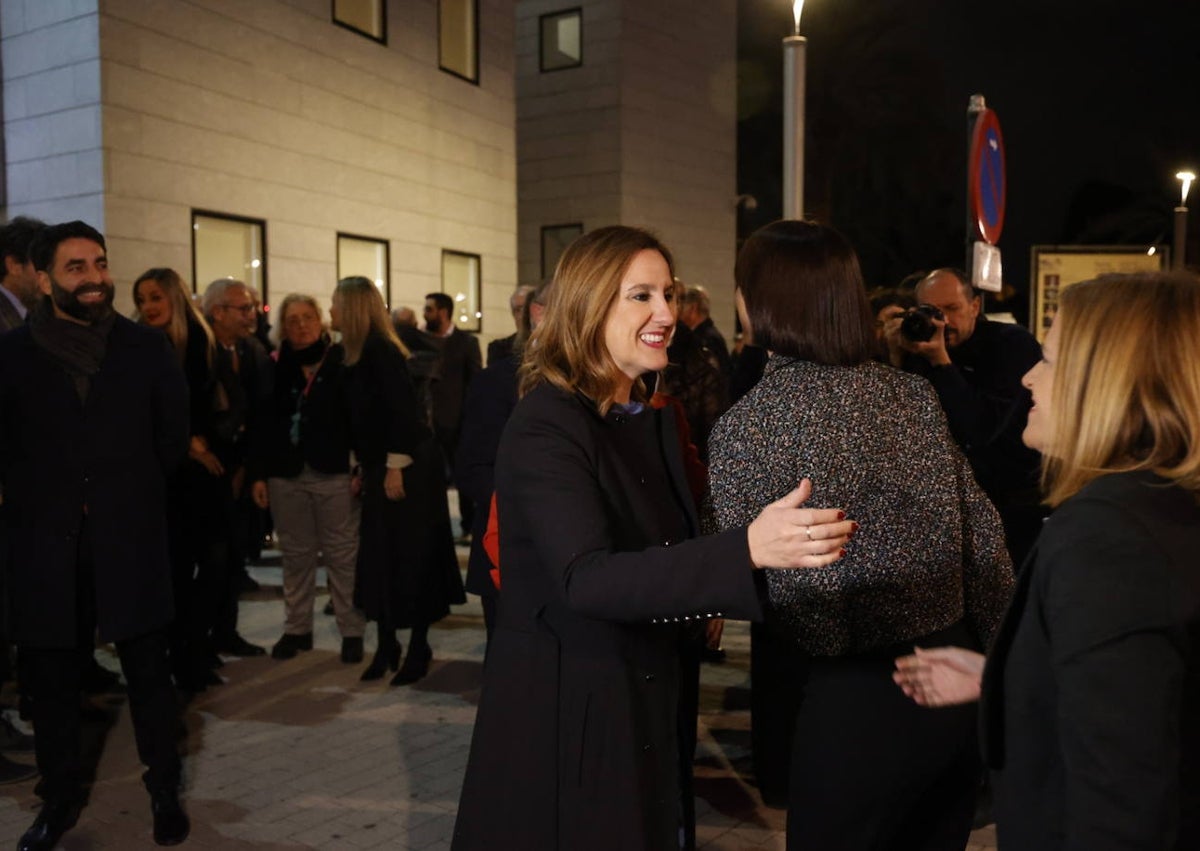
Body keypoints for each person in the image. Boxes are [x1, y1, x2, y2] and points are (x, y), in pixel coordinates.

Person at [451, 225, 856, 851]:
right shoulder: (546, 426)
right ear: (588, 307)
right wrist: (742, 551)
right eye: (641, 296)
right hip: (575, 716)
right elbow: (586, 577)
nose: (666, 313)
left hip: (644, 699)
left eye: (667, 293)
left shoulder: (647, 414)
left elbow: (666, 549)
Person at [707, 220, 1014, 851]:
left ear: (760, 303)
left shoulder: (748, 427)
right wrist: (997, 671)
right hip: (949, 681)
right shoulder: (913, 397)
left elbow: (745, 577)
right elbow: (984, 543)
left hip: (848, 696)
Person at [893, 271, 1200, 850]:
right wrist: (1011, 676)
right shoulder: (1157, 506)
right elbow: (1142, 701)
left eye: (1052, 360)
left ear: (1109, 384)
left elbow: (1123, 798)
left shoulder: (1108, 538)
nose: (1031, 376)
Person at [0, 221, 191, 849]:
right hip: (46, 548)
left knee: (149, 676)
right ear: (45, 278)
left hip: (129, 538)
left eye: (100, 263)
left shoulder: (144, 349)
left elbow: (171, 441)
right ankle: (58, 802)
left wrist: (128, 500)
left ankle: (164, 791)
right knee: (52, 684)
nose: (94, 278)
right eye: (77, 267)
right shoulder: (14, 355)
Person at [335, 277, 464, 685]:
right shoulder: (353, 352)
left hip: (407, 467)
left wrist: (393, 465)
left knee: (413, 558)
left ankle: (418, 646)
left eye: (337, 304)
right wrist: (364, 466)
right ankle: (387, 642)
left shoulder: (381, 349)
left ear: (354, 308)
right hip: (382, 465)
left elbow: (402, 414)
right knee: (380, 558)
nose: (331, 312)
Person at [886, 268, 1044, 565]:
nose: (943, 321)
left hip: (1011, 511)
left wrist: (941, 362)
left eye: (952, 309)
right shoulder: (918, 348)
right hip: (946, 517)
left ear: (975, 307)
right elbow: (904, 430)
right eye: (932, 311)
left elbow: (981, 427)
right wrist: (896, 359)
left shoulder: (1011, 345)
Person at [249, 294, 365, 664]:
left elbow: (356, 421)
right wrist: (259, 475)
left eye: (307, 317)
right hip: (285, 473)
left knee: (342, 555)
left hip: (332, 471)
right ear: (284, 326)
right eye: (293, 319)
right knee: (296, 557)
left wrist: (358, 466)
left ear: (320, 321)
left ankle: (351, 631)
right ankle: (296, 629)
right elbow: (260, 425)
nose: (301, 325)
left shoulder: (342, 362)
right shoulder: (272, 365)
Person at [133, 267, 227, 693]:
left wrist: (203, 443)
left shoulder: (198, 341)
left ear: (174, 297)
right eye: (141, 299)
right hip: (163, 477)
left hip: (199, 476)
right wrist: (189, 443)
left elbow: (209, 403)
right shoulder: (137, 345)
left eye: (155, 297)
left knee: (208, 568)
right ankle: (182, 659)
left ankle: (196, 650)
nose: (148, 307)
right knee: (173, 573)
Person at [455, 280, 548, 645]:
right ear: (539, 314)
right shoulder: (495, 382)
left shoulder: (598, 381)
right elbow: (472, 470)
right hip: (510, 554)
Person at [201, 278, 273, 658]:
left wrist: (251, 467)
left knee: (232, 557)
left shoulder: (252, 351)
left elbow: (262, 413)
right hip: (205, 470)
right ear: (218, 312)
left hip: (240, 468)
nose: (252, 315)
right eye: (244, 309)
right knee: (210, 559)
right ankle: (198, 638)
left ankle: (225, 631)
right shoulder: (199, 350)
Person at [423, 291, 482, 538]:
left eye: (429, 309)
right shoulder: (421, 341)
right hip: (427, 424)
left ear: (443, 312)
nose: (425, 314)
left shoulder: (466, 343)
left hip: (457, 422)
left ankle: (469, 526)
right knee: (431, 479)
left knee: (463, 477)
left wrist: (469, 419)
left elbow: (476, 382)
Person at [485, 283, 536, 363]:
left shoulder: (554, 347)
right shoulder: (499, 349)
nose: (523, 315)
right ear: (513, 314)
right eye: (518, 310)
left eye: (527, 308)